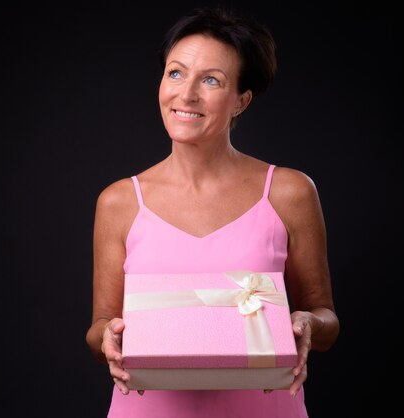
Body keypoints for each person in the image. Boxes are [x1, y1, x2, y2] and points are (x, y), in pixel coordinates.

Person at [85, 6, 340, 418]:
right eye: (175, 73)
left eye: (211, 80)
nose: (186, 95)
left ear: (241, 100)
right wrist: (107, 338)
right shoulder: (119, 201)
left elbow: (326, 318)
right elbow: (100, 327)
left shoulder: (289, 192)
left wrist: (308, 323)